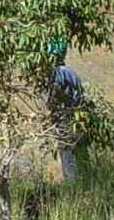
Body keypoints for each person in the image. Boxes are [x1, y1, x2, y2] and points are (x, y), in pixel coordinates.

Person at [46, 39, 85, 183]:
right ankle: (76, 181)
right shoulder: (72, 73)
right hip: (76, 119)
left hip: (63, 119)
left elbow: (53, 98)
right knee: (74, 152)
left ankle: (71, 184)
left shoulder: (57, 74)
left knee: (66, 152)